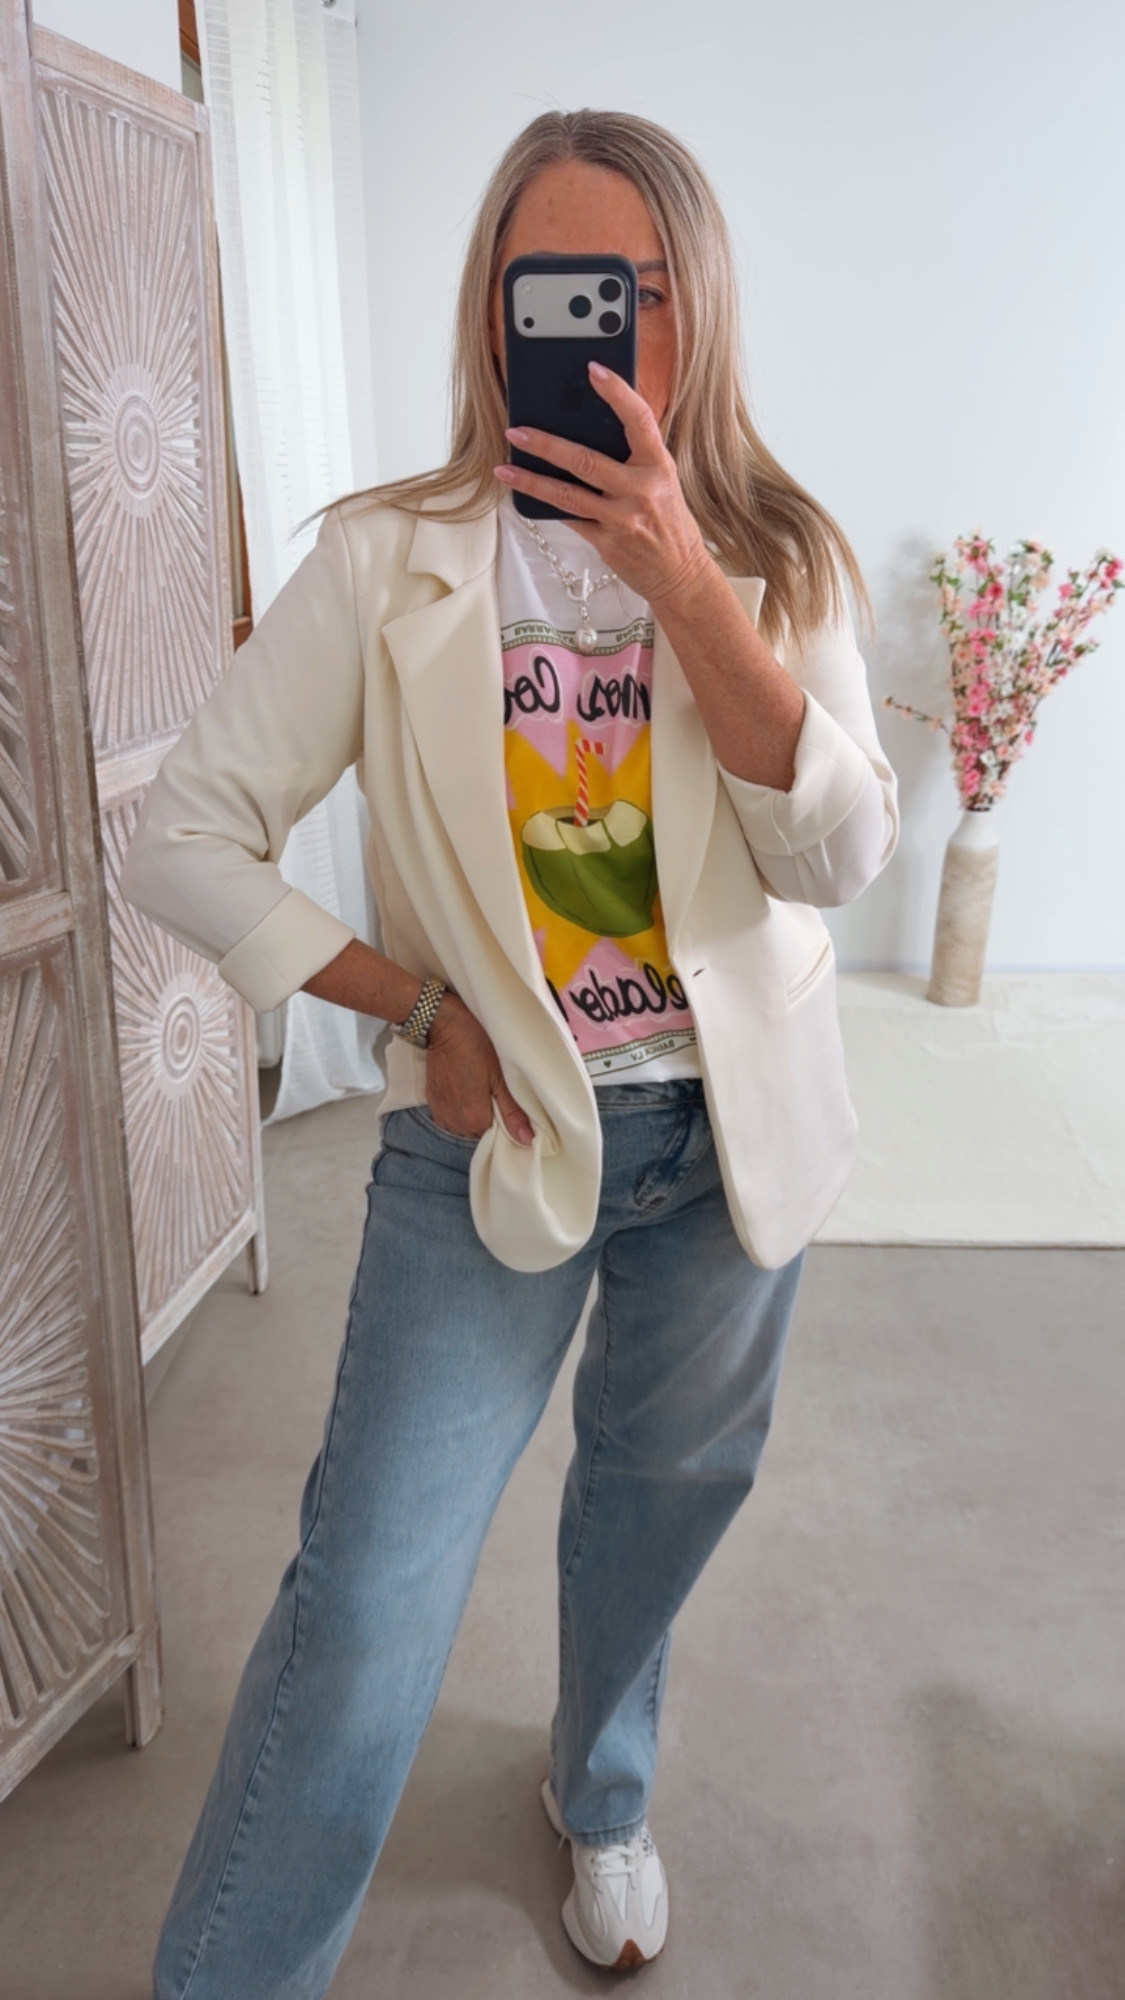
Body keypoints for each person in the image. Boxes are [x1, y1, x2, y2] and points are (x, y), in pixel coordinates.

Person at [123, 107, 898, 1998]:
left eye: (640, 288)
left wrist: (685, 584)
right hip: (488, 1135)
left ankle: (600, 1788)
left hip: (725, 1145)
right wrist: (409, 1010)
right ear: (491, 310)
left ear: (696, 308)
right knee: (366, 1603)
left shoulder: (782, 557)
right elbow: (187, 835)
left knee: (658, 1501)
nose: (599, 326)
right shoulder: (382, 560)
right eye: (552, 285)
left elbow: (836, 856)